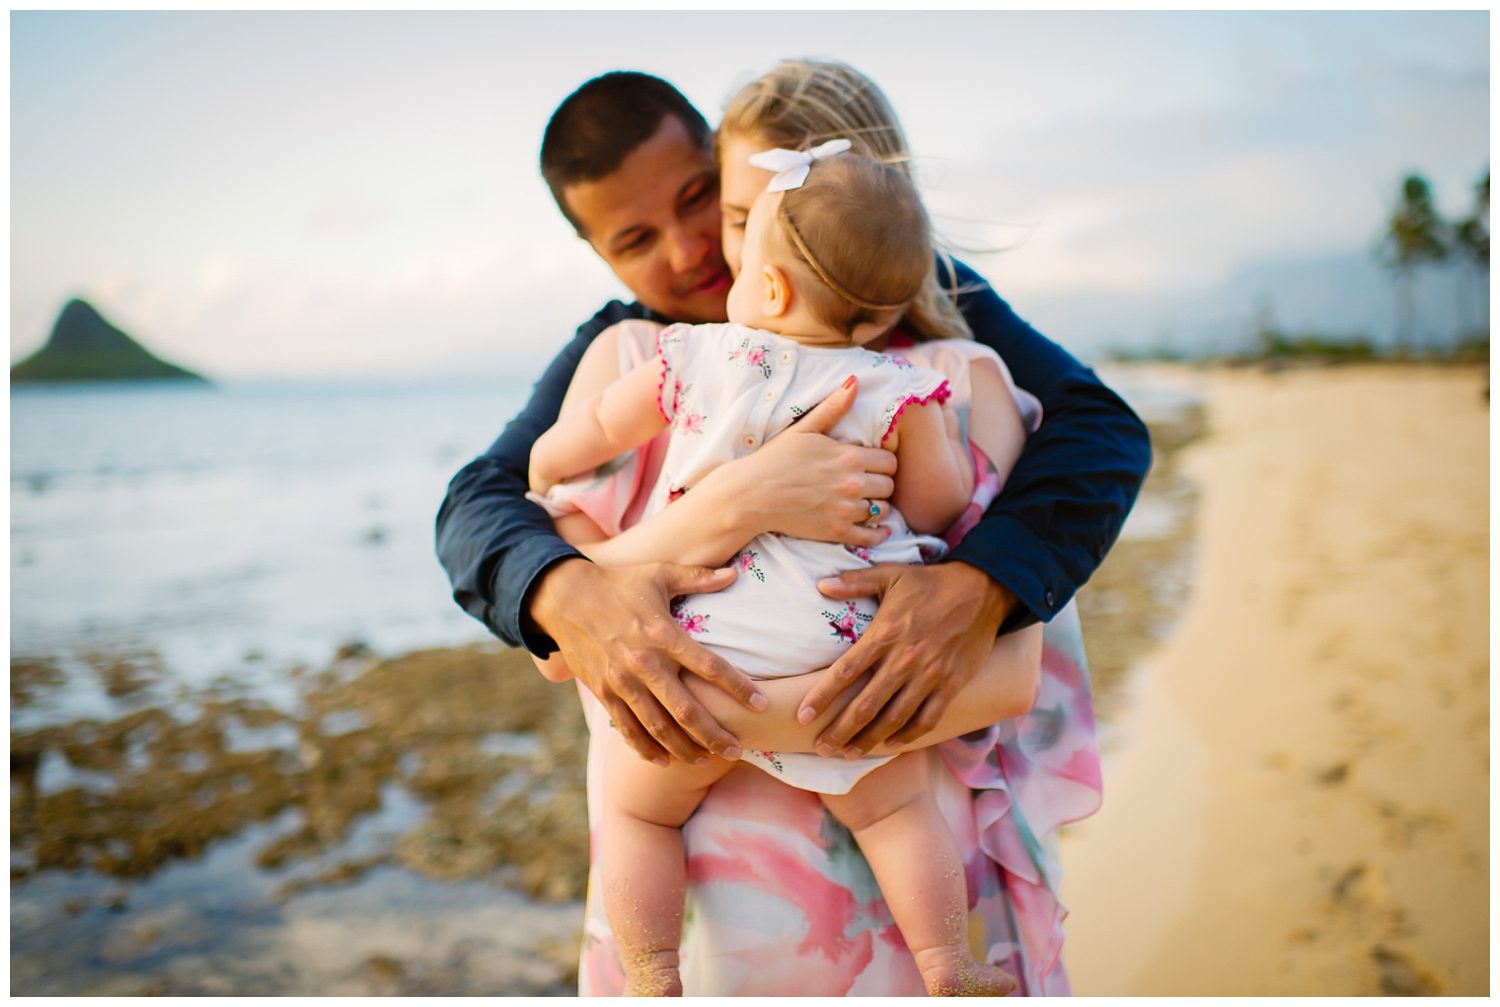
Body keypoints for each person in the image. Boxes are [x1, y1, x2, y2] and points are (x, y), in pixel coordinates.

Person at [436, 62, 1150, 993]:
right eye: (638, 238)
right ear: (600, 256)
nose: (698, 247)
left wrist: (981, 584)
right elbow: (486, 505)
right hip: (731, 909)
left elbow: (1099, 428)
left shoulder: (939, 342)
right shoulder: (630, 352)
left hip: (879, 888)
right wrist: (733, 508)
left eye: (712, 204)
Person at [528, 142, 1020, 997]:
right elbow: (943, 511)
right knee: (898, 809)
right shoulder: (900, 390)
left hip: (704, 648)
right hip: (838, 655)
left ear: (769, 286)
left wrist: (545, 459)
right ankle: (948, 962)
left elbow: (603, 428)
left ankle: (649, 973)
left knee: (638, 810)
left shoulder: (691, 357)